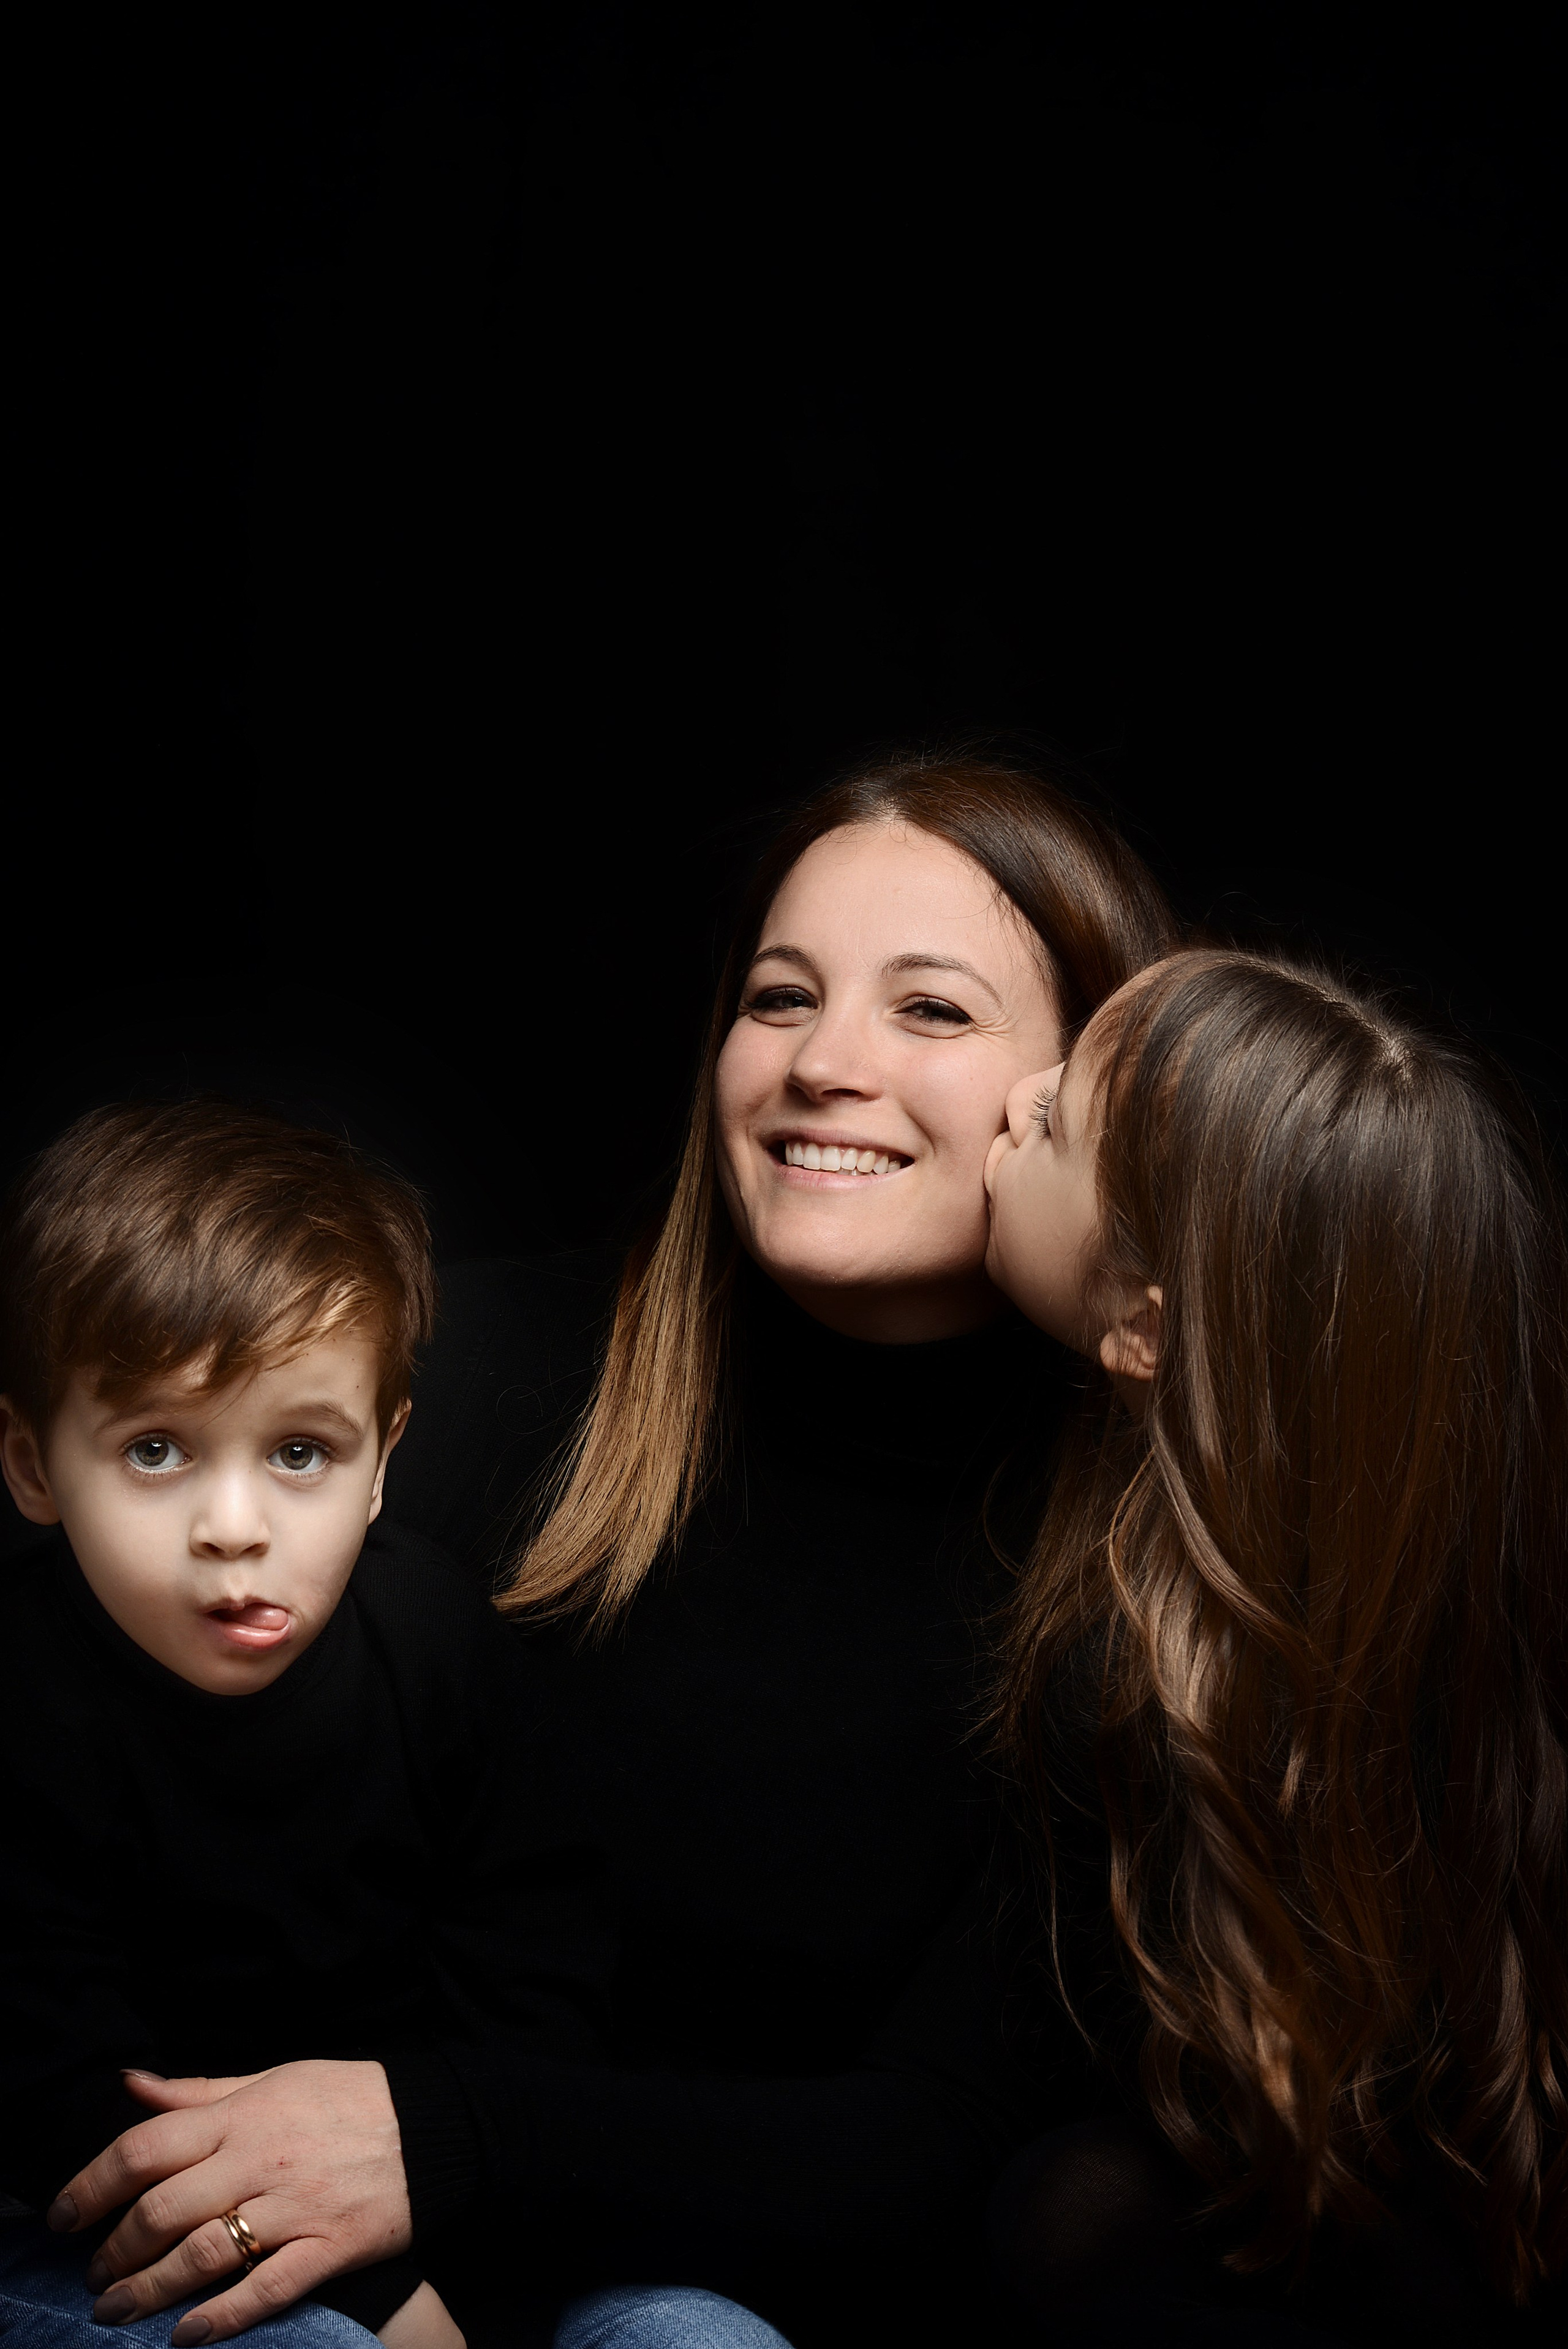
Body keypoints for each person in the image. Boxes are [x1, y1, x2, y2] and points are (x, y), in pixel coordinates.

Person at [39, 755, 1178, 2349]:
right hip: (294, 2257)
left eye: (931, 1011)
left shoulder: (1130, 1590)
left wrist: (446, 2142)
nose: (823, 1061)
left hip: (723, 2291)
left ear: (1083, 1099)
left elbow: (926, 2144)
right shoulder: (448, 1374)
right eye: (781, 997)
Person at [982, 948, 1568, 2343]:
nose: (1012, 1097)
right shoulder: (1425, 1622)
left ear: (1138, 1324)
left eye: (1052, 1118)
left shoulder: (1122, 1685)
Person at [0, 1103, 610, 2349]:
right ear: (31, 1464)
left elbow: (535, 1983)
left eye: (298, 1452)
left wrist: (442, 2242)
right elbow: (53, 2085)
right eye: (158, 1448)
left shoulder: (436, 1642)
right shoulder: (23, 1693)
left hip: (432, 2205)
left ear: (381, 1461)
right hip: (98, 2219)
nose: (235, 1525)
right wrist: (381, 2301)